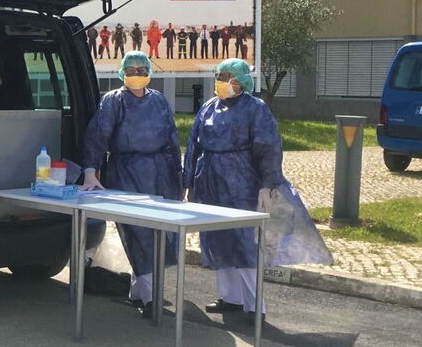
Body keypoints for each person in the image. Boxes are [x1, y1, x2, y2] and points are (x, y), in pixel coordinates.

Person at [82, 51, 182, 317]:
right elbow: (97, 136)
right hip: (127, 173)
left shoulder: (158, 100)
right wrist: (91, 171)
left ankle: (139, 292)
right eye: (132, 69)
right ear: (122, 72)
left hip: (160, 173)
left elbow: (172, 137)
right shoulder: (114, 101)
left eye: (141, 69)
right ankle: (151, 298)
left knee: (159, 233)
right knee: (140, 235)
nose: (137, 74)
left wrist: (178, 176)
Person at [182, 59, 280, 324]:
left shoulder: (255, 109)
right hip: (210, 181)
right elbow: (193, 146)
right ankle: (230, 298)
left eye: (229, 76)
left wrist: (268, 183)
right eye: (220, 76)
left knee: (244, 242)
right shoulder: (208, 108)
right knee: (217, 239)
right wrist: (188, 181)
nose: (224, 81)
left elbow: (268, 147)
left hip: (241, 182)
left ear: (243, 81)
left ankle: (255, 305)